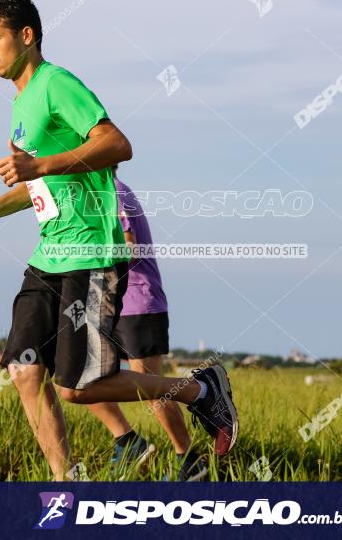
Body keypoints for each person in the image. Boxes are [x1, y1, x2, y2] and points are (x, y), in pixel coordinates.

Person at [0, 0, 237, 481]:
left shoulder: (57, 83)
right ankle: (65, 487)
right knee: (24, 371)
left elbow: (117, 144)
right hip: (49, 254)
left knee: (78, 388)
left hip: (91, 253)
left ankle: (201, 391)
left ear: (27, 36)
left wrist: (38, 162)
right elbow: (42, 186)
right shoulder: (21, 105)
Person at [85, 164, 207, 481]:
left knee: (152, 390)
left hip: (138, 303)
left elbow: (130, 248)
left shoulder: (112, 192)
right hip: (107, 304)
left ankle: (190, 460)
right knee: (80, 379)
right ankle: (129, 441)